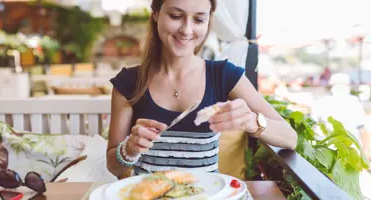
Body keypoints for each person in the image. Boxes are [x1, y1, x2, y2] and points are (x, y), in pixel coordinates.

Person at [106, 0, 298, 178]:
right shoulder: (128, 82)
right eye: (175, 16)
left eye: (198, 19)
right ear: (156, 14)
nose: (187, 30)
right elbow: (114, 167)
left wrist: (251, 121)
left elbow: (290, 138)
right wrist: (128, 149)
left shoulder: (223, 75)